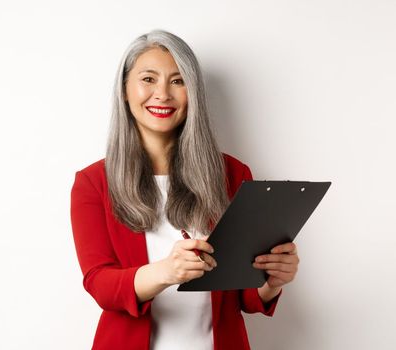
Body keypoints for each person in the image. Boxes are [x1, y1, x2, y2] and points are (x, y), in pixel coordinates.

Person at [69, 29, 300, 350]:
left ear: (193, 92)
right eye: (148, 79)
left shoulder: (233, 174)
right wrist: (167, 271)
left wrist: (271, 281)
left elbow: (244, 295)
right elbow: (100, 285)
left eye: (178, 81)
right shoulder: (94, 182)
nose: (162, 94)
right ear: (124, 90)